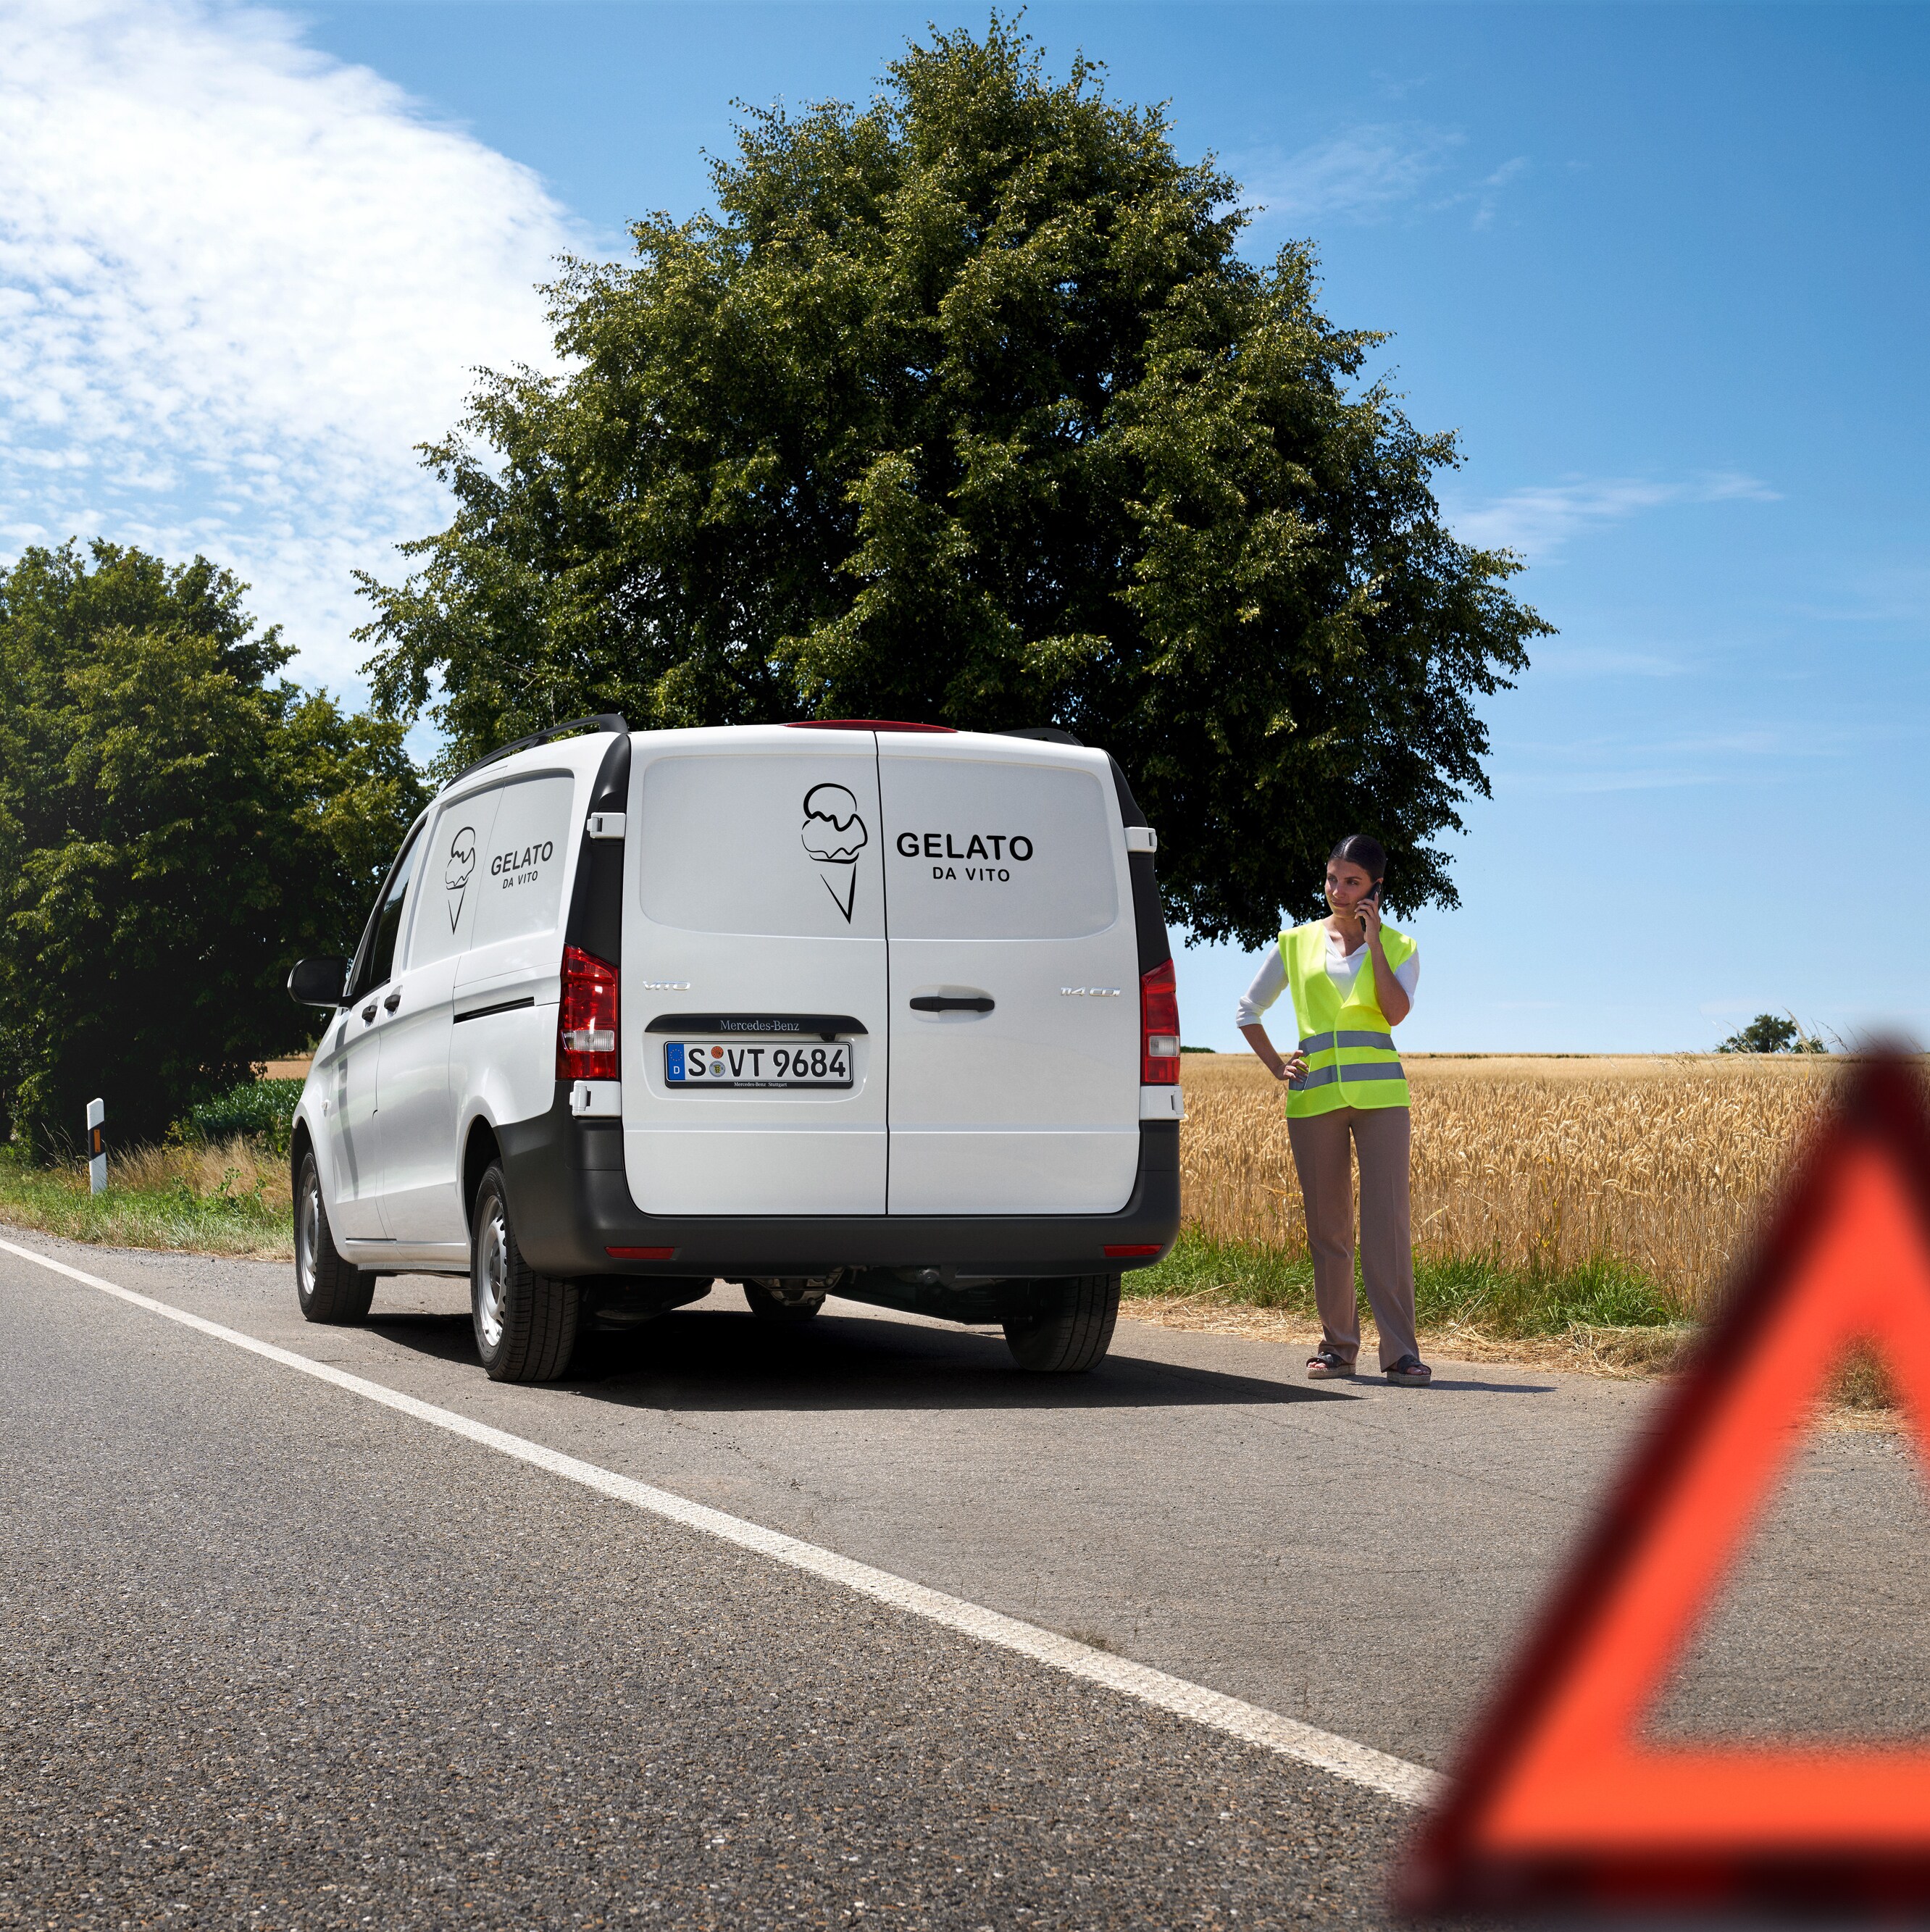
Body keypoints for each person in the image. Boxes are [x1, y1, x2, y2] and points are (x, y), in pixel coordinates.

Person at [1236, 835, 1431, 1387]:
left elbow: (1394, 1012)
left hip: (1382, 1102)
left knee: (1387, 1227)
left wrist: (1372, 944)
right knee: (1329, 1229)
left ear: (1376, 889)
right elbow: (1248, 1009)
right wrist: (1278, 1066)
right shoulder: (1295, 942)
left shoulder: (1400, 945)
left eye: (1352, 882)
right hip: (1315, 1099)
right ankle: (1338, 1348)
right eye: (1331, 879)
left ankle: (1400, 1354)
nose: (1338, 891)